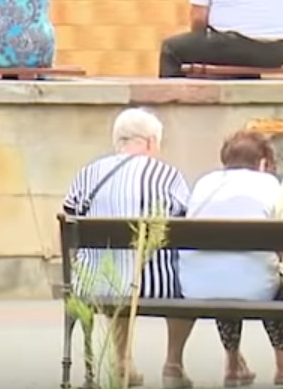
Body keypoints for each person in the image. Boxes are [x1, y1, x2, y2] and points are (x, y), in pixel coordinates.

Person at [62, 107, 194, 389]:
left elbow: (68, 218)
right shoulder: (167, 175)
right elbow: (188, 223)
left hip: (93, 283)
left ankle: (122, 362)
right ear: (149, 142)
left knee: (116, 264)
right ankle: (173, 364)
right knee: (187, 279)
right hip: (155, 285)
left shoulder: (88, 173)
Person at [180, 129, 283, 387]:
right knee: (268, 277)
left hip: (200, 287)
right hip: (256, 288)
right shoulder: (270, 185)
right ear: (263, 163)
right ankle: (282, 365)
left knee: (226, 266)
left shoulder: (205, 183)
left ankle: (233, 365)